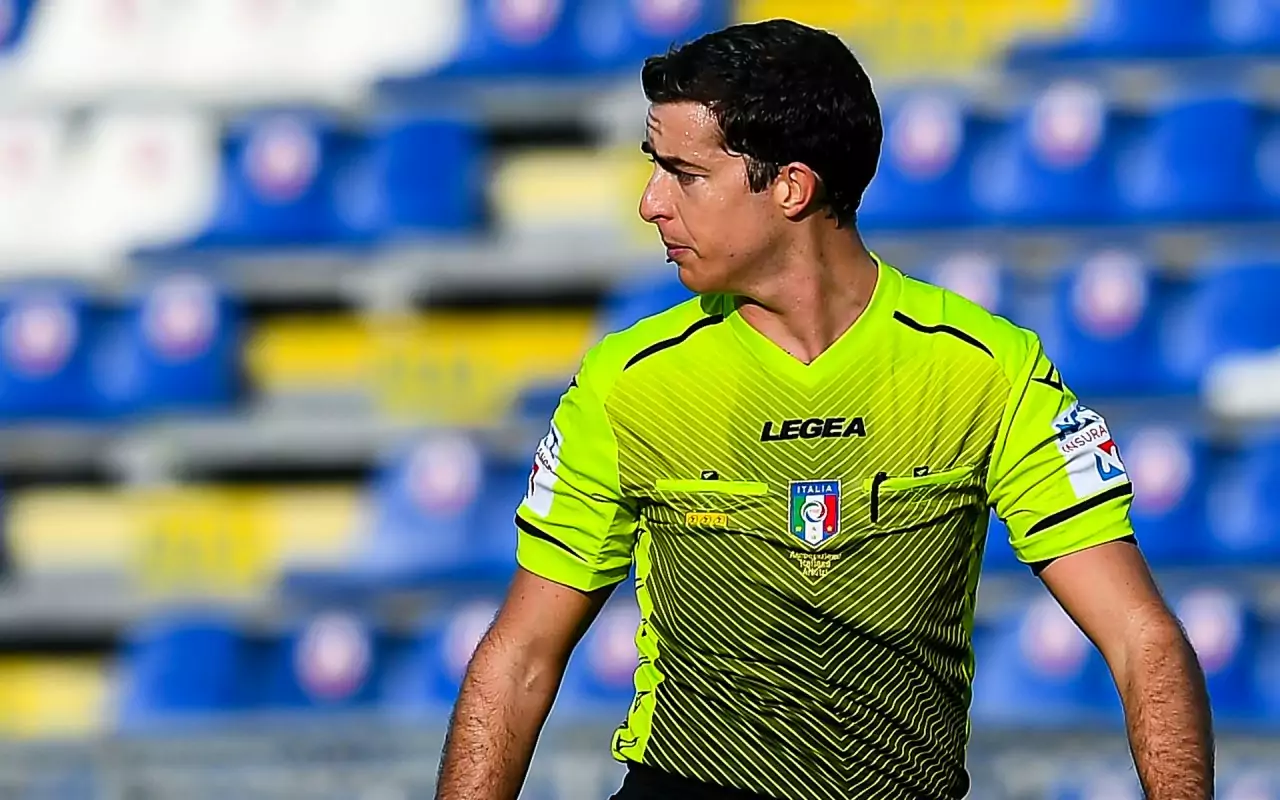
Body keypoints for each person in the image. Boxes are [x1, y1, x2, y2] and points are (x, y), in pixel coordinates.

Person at [434, 19, 1213, 800]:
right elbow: (521, 657)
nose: (650, 204)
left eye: (683, 174)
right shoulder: (628, 380)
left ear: (791, 188)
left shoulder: (987, 369)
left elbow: (1140, 638)